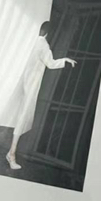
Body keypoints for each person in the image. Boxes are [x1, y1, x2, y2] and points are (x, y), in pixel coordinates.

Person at [5, 21, 77, 170]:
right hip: (30, 83)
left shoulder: (29, 41)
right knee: (23, 115)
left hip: (20, 80)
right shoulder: (43, 46)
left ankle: (11, 152)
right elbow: (51, 63)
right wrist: (65, 60)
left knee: (16, 113)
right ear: (49, 33)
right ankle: (11, 154)